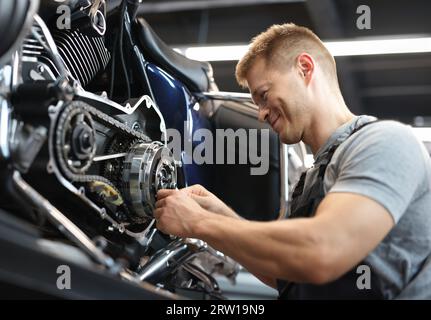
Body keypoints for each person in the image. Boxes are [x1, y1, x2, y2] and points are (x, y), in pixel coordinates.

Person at [154, 23, 431, 299]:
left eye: (263, 96)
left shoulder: (384, 142)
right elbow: (285, 274)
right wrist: (217, 213)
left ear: (305, 68)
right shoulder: (311, 180)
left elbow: (322, 250)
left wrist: (199, 222)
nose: (261, 114)